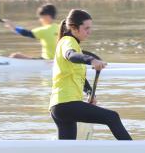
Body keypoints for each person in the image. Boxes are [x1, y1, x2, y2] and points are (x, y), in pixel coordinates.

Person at [49, 9, 132, 140]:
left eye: (90, 28)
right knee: (112, 117)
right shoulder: (68, 41)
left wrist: (89, 93)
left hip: (59, 107)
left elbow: (78, 76)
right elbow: (71, 56)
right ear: (74, 28)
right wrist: (91, 60)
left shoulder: (74, 44)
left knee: (68, 149)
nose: (89, 32)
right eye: (86, 28)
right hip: (66, 104)